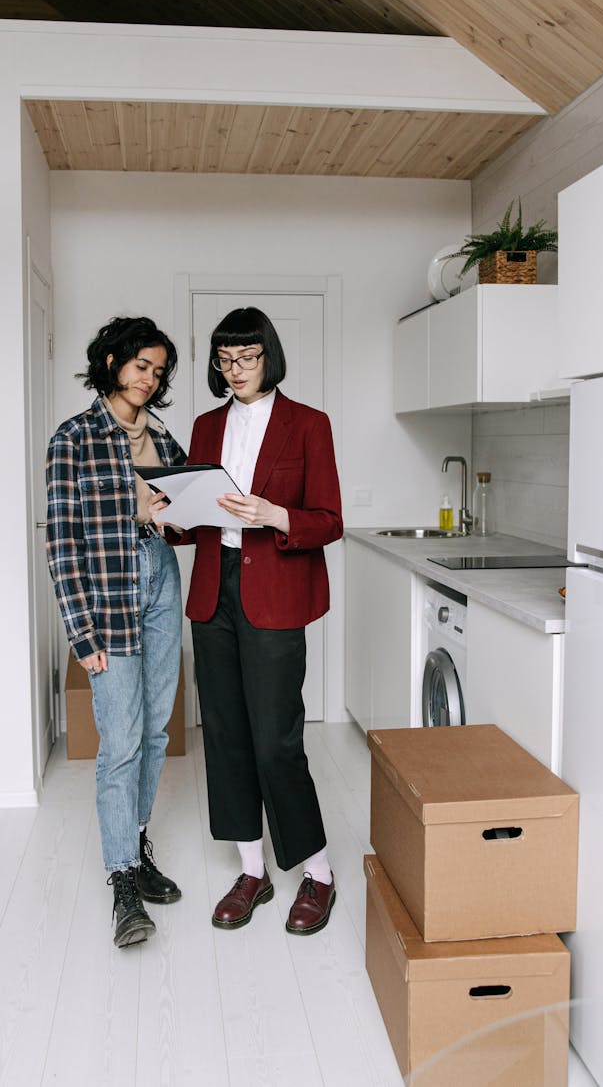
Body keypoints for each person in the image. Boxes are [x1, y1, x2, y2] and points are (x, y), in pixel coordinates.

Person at [173, 306, 343, 935]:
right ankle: (253, 870)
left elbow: (329, 519)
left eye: (247, 357)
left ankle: (317, 874)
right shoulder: (204, 425)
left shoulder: (308, 426)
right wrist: (166, 514)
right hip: (215, 593)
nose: (236, 370)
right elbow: (194, 519)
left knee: (276, 738)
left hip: (275, 590)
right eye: (225, 359)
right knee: (225, 734)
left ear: (269, 356)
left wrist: (275, 515)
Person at [46, 316, 186, 948]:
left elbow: (186, 521)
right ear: (110, 363)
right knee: (121, 741)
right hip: (108, 598)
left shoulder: (163, 437)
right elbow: (63, 545)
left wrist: (177, 513)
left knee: (155, 730)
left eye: (158, 370)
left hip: (160, 582)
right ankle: (122, 880)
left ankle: (135, 842)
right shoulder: (72, 439)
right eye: (140, 365)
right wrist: (82, 635)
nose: (149, 378)